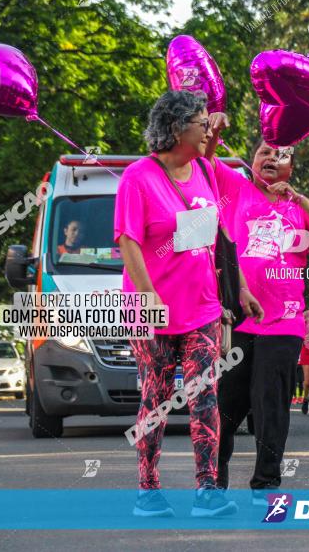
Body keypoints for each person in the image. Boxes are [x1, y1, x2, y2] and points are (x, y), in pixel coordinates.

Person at [115, 90, 257, 518]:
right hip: (152, 312)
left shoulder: (203, 173)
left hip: (203, 309)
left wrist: (241, 289)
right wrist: (149, 295)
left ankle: (207, 491)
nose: (207, 127)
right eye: (200, 121)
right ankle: (148, 490)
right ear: (177, 128)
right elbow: (128, 241)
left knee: (205, 397)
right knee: (155, 399)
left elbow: (213, 236)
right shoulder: (137, 177)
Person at [203, 120, 309, 502]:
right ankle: (213, 486)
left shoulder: (298, 210)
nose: (270, 157)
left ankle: (266, 486)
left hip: (283, 326)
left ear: (290, 168)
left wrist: (300, 200)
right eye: (264, 151)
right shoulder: (234, 189)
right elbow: (204, 158)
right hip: (235, 322)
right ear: (252, 160)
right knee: (224, 409)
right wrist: (213, 130)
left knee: (271, 410)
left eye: (280, 154)